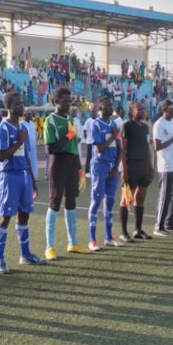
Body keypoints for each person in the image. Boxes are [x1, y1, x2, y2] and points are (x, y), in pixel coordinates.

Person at [0, 92, 46, 273]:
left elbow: (26, 155)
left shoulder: (23, 126)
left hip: (24, 174)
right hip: (9, 175)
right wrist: (19, 141)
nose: (22, 107)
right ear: (9, 107)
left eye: (23, 103)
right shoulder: (3, 128)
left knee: (24, 214)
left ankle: (25, 254)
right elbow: (0, 156)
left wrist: (32, 179)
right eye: (19, 104)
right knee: (5, 216)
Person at [42, 87, 90, 260]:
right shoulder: (50, 121)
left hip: (71, 164)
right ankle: (50, 247)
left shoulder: (71, 120)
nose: (68, 104)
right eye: (64, 101)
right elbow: (50, 148)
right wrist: (69, 136)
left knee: (71, 200)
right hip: (58, 163)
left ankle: (73, 243)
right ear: (56, 102)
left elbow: (74, 148)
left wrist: (79, 169)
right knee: (54, 201)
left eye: (69, 101)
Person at [86, 97, 123, 249]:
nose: (110, 107)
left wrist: (116, 167)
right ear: (100, 107)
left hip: (111, 166)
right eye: (107, 105)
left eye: (111, 104)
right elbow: (99, 148)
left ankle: (108, 237)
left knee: (110, 201)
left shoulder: (113, 124)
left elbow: (120, 148)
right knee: (96, 200)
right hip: (99, 165)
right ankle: (92, 239)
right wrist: (113, 136)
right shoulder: (95, 125)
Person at [118, 101, 154, 242]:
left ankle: (137, 229)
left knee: (140, 198)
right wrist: (124, 170)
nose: (141, 111)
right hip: (131, 166)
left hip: (144, 166)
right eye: (138, 109)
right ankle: (123, 232)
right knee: (127, 199)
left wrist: (150, 166)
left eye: (143, 109)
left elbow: (147, 147)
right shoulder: (126, 126)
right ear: (131, 111)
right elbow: (123, 150)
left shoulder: (145, 127)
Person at [153, 98, 173, 236]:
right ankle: (158, 226)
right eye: (172, 108)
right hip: (166, 165)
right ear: (165, 110)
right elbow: (157, 146)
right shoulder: (159, 124)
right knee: (164, 196)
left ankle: (170, 222)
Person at [21, 111, 39, 181]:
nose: (29, 116)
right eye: (28, 114)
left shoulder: (32, 123)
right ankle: (28, 176)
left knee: (34, 160)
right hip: (26, 145)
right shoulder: (21, 123)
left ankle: (34, 176)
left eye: (30, 114)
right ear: (24, 115)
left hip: (33, 145)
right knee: (27, 160)